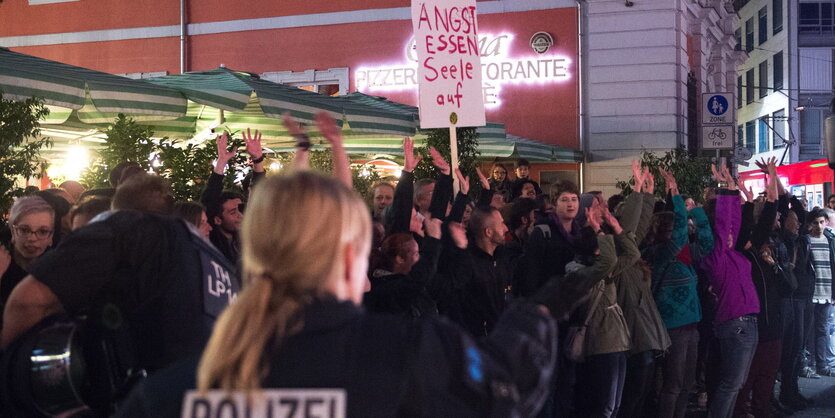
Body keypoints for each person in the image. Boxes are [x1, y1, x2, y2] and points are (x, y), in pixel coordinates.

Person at [118, 113, 562, 418]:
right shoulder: (412, 354)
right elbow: (506, 391)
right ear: (352, 252)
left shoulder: (168, 394)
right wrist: (537, 315)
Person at [0, 174, 239, 416]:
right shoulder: (212, 259)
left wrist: (8, 370)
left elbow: (28, 301)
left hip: (157, 400)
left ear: (116, 212)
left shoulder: (127, 227)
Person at [641, 168, 709, 418]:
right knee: (673, 384)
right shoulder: (659, 254)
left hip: (692, 324)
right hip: (672, 325)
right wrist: (676, 194)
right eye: (672, 230)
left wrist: (698, 213)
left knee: (687, 384)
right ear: (662, 232)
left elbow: (708, 243)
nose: (679, 234)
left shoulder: (687, 256)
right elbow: (681, 232)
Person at [701, 164, 760, 418]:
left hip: (747, 323)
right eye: (724, 233)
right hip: (735, 324)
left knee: (737, 383)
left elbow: (732, 224)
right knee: (731, 383)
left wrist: (733, 191)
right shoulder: (715, 257)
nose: (731, 235)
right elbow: (726, 223)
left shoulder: (732, 253)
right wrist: (727, 192)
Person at [201, 128, 265, 264]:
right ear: (217, 220)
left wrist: (258, 160)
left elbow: (259, 197)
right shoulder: (213, 242)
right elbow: (209, 198)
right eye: (232, 212)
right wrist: (221, 162)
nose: (240, 215)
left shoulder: (244, 239)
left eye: (240, 209)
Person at [0, 196, 55, 327]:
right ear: (13, 231)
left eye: (42, 231)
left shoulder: (58, 268)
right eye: (24, 230)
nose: (32, 238)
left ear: (51, 236)